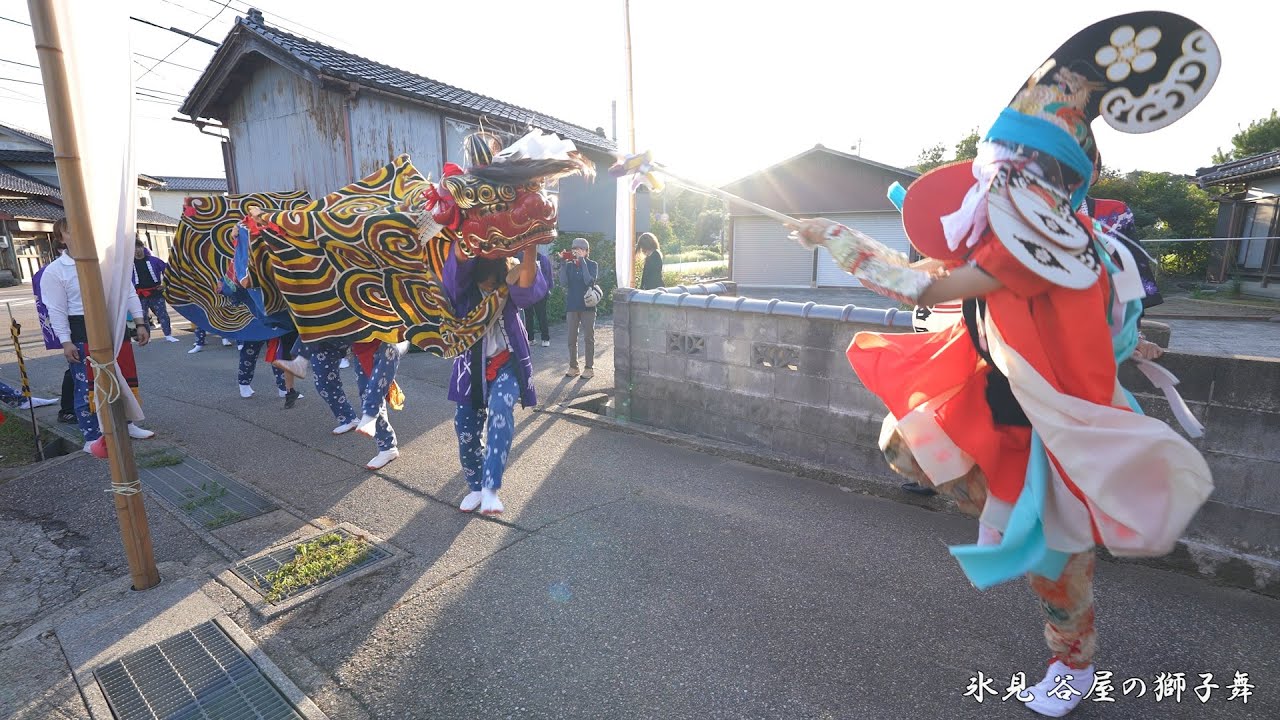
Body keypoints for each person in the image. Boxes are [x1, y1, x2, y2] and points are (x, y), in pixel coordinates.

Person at [790, 12, 1216, 718]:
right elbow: (948, 272)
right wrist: (1133, 346)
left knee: (1057, 560)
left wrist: (833, 238)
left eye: (1007, 172)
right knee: (934, 460)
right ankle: (1061, 639)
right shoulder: (1071, 241)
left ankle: (1072, 668)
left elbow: (926, 287)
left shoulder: (1033, 246)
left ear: (1033, 180)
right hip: (1017, 410)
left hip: (1056, 427)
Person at [443, 244, 547, 515]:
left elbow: (529, 288)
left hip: (507, 364)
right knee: (465, 429)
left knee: (501, 408)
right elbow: (452, 280)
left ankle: (490, 488)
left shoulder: (509, 288)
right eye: (485, 279)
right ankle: (475, 486)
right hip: (470, 368)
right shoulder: (464, 294)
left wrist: (530, 245)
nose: (490, 285)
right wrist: (464, 242)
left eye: (494, 278)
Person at [40, 218, 156, 454]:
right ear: (61, 238)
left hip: (114, 324)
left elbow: (128, 292)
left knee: (121, 377)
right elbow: (57, 309)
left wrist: (140, 322)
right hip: (81, 330)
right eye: (70, 231)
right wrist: (66, 341)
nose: (79, 234)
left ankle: (127, 423)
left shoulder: (108, 263)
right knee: (87, 385)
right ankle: (92, 435)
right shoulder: (55, 271)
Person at [32, 256, 77, 424]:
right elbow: (52, 306)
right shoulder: (52, 271)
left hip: (84, 326)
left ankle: (77, 408)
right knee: (75, 367)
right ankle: (68, 409)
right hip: (73, 326)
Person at [557, 237, 598, 378]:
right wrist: (562, 262)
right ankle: (573, 367)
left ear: (586, 251)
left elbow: (588, 281)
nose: (576, 251)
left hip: (588, 306)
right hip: (572, 305)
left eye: (580, 249)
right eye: (574, 249)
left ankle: (589, 367)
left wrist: (583, 262)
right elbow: (563, 282)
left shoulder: (593, 265)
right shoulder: (569, 266)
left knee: (588, 338)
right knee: (571, 338)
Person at [132, 240, 180, 342]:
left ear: (143, 247)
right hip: (139, 294)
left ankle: (168, 335)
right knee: (143, 317)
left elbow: (167, 270)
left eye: (138, 247)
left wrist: (164, 284)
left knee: (162, 314)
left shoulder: (154, 260)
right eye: (134, 248)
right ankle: (147, 337)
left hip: (156, 292)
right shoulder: (129, 265)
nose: (137, 250)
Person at [522, 248, 553, 347]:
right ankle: (530, 338)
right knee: (528, 316)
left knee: (541, 315)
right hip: (527, 292)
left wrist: (548, 288)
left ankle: (545, 338)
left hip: (541, 292)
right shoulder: (522, 258)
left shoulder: (542, 258)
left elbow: (548, 274)